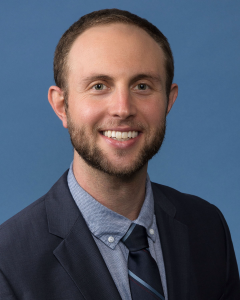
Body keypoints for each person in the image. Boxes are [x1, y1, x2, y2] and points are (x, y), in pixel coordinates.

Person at [0, 8, 239, 300]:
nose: (123, 108)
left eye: (142, 86)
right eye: (99, 86)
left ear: (169, 100)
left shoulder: (208, 226)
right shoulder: (8, 260)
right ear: (62, 106)